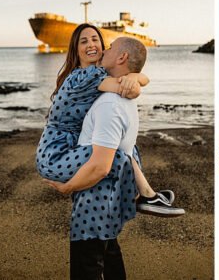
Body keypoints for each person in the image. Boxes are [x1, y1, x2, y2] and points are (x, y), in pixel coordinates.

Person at [40, 36, 177, 279]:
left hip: (83, 167)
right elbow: (129, 86)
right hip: (56, 152)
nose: (98, 47)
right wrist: (134, 80)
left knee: (98, 252)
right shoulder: (85, 78)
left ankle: (146, 195)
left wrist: (135, 76)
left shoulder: (106, 93)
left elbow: (136, 78)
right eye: (84, 41)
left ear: (120, 57)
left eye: (101, 42)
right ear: (76, 50)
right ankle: (145, 195)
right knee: (117, 157)